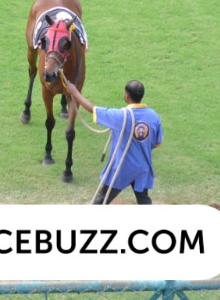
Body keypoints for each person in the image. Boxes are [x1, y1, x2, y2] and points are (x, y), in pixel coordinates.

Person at [59, 76, 162, 205]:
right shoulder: (154, 116)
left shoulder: (120, 116)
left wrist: (74, 92)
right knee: (144, 201)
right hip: (142, 168)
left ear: (127, 96)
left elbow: (92, 109)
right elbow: (157, 143)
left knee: (101, 200)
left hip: (121, 169)